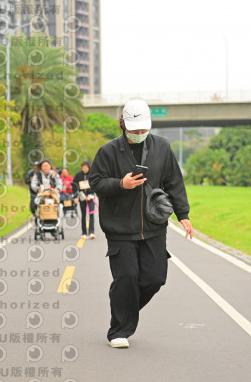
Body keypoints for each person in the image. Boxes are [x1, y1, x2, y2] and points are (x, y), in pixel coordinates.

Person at [89, 99, 193, 349]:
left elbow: (174, 182)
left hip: (154, 226)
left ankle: (124, 310)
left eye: (144, 128)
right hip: (120, 228)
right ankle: (118, 331)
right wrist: (120, 184)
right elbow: (96, 182)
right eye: (135, 129)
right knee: (127, 278)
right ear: (123, 124)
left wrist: (183, 214)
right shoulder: (108, 151)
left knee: (155, 278)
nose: (140, 132)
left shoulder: (162, 147)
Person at [73, 161, 96, 240]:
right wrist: (76, 196)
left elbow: (95, 185)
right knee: (83, 215)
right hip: (82, 197)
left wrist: (92, 193)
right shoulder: (78, 175)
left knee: (91, 214)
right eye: (83, 168)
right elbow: (74, 186)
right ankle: (84, 233)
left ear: (89, 168)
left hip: (91, 197)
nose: (84, 169)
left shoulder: (92, 175)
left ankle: (91, 232)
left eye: (86, 168)